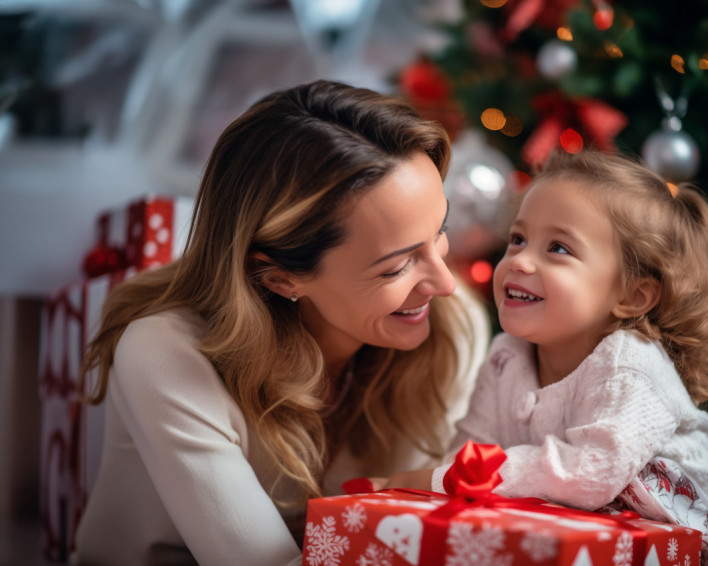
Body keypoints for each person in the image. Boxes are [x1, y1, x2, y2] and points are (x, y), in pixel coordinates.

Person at [71, 80, 490, 566]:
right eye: (396, 266)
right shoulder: (165, 351)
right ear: (278, 276)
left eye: (439, 231)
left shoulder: (453, 328)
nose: (445, 284)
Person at [382, 150, 708, 565]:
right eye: (518, 239)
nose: (520, 262)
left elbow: (590, 473)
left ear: (632, 295)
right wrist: (425, 486)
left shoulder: (630, 363)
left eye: (558, 248)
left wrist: (446, 476)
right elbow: (472, 449)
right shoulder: (507, 356)